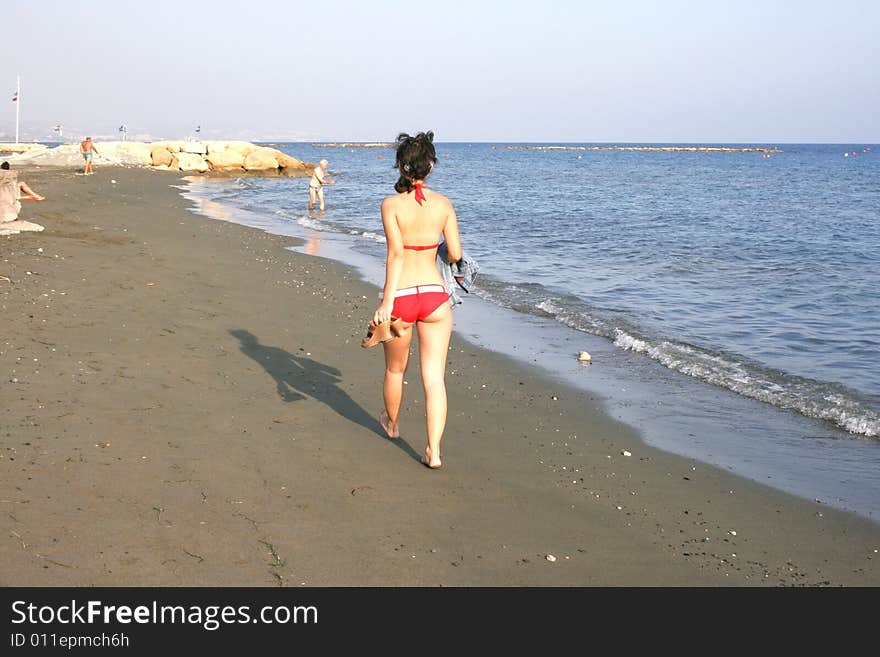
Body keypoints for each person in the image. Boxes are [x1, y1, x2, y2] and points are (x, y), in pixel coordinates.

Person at [372, 131, 462, 469]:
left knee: (396, 370)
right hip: (436, 298)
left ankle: (392, 426)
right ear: (431, 166)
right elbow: (455, 254)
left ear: (400, 166)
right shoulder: (444, 205)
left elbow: (396, 254)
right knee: (434, 379)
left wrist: (386, 302)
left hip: (403, 296)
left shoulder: (391, 205)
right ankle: (434, 452)